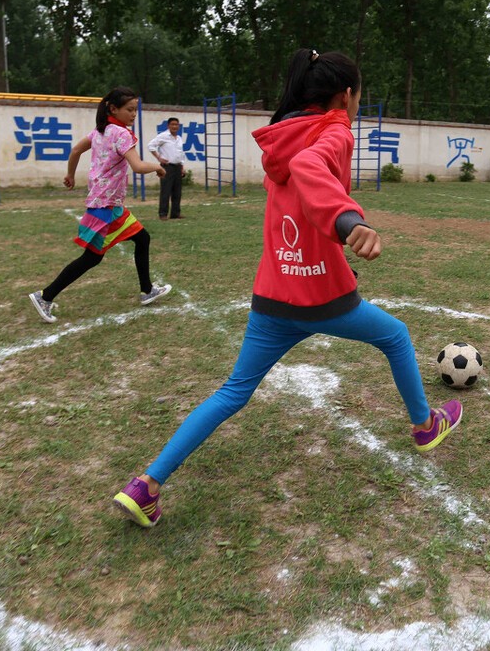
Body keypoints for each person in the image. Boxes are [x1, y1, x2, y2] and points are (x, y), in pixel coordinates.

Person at [112, 49, 462, 527]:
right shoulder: (334, 130)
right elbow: (311, 170)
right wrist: (347, 220)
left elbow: (299, 177)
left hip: (274, 297)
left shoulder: (284, 133)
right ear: (346, 95)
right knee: (396, 336)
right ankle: (425, 427)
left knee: (232, 392)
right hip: (323, 298)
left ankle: (145, 486)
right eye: (359, 95)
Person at [28, 87, 172, 323]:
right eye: (129, 110)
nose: (134, 114)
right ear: (113, 109)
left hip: (106, 203)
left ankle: (147, 290)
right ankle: (45, 296)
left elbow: (75, 150)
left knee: (140, 239)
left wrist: (71, 175)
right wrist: (157, 166)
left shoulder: (100, 131)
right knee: (92, 257)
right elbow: (136, 166)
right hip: (106, 205)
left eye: (136, 110)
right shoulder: (121, 134)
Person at [148, 117, 186, 220]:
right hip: (167, 167)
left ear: (179, 126)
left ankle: (175, 213)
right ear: (168, 126)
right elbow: (151, 146)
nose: (174, 126)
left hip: (177, 167)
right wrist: (159, 158)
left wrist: (182, 167)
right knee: (166, 191)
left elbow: (180, 154)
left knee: (177, 192)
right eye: (172, 124)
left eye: (176, 125)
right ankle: (163, 214)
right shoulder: (163, 136)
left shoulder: (179, 138)